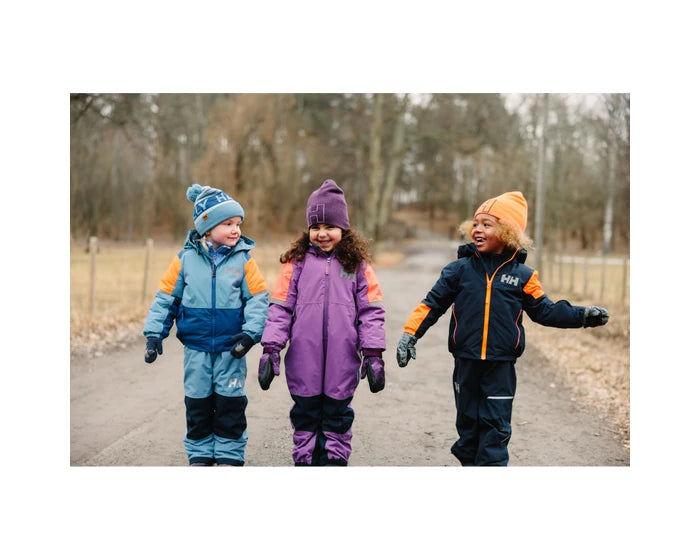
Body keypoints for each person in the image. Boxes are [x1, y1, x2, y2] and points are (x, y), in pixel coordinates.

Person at [396, 191, 609, 466]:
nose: (478, 229)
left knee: (495, 430)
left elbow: (546, 311)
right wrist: (409, 335)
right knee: (468, 430)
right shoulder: (458, 270)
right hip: (466, 363)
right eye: (475, 223)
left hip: (501, 367)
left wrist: (582, 316)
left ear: (508, 232)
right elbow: (431, 305)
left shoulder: (523, 277)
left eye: (487, 224)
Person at [258, 179, 386, 466]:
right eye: (315, 227)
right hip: (303, 359)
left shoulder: (357, 266)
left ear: (344, 228)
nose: (322, 233)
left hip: (343, 360)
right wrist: (271, 348)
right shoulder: (296, 263)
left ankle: (334, 462)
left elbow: (371, 311)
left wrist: (373, 353)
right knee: (305, 415)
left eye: (330, 226)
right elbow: (280, 308)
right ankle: (305, 461)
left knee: (337, 417)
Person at [143, 184, 269, 466]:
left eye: (238, 224)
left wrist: (251, 334)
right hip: (196, 349)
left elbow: (258, 299)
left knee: (230, 403)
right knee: (197, 402)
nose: (236, 230)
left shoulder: (244, 261)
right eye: (228, 224)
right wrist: (154, 334)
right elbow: (166, 298)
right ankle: (199, 450)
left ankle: (229, 453)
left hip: (231, 348)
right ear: (207, 228)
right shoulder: (185, 260)